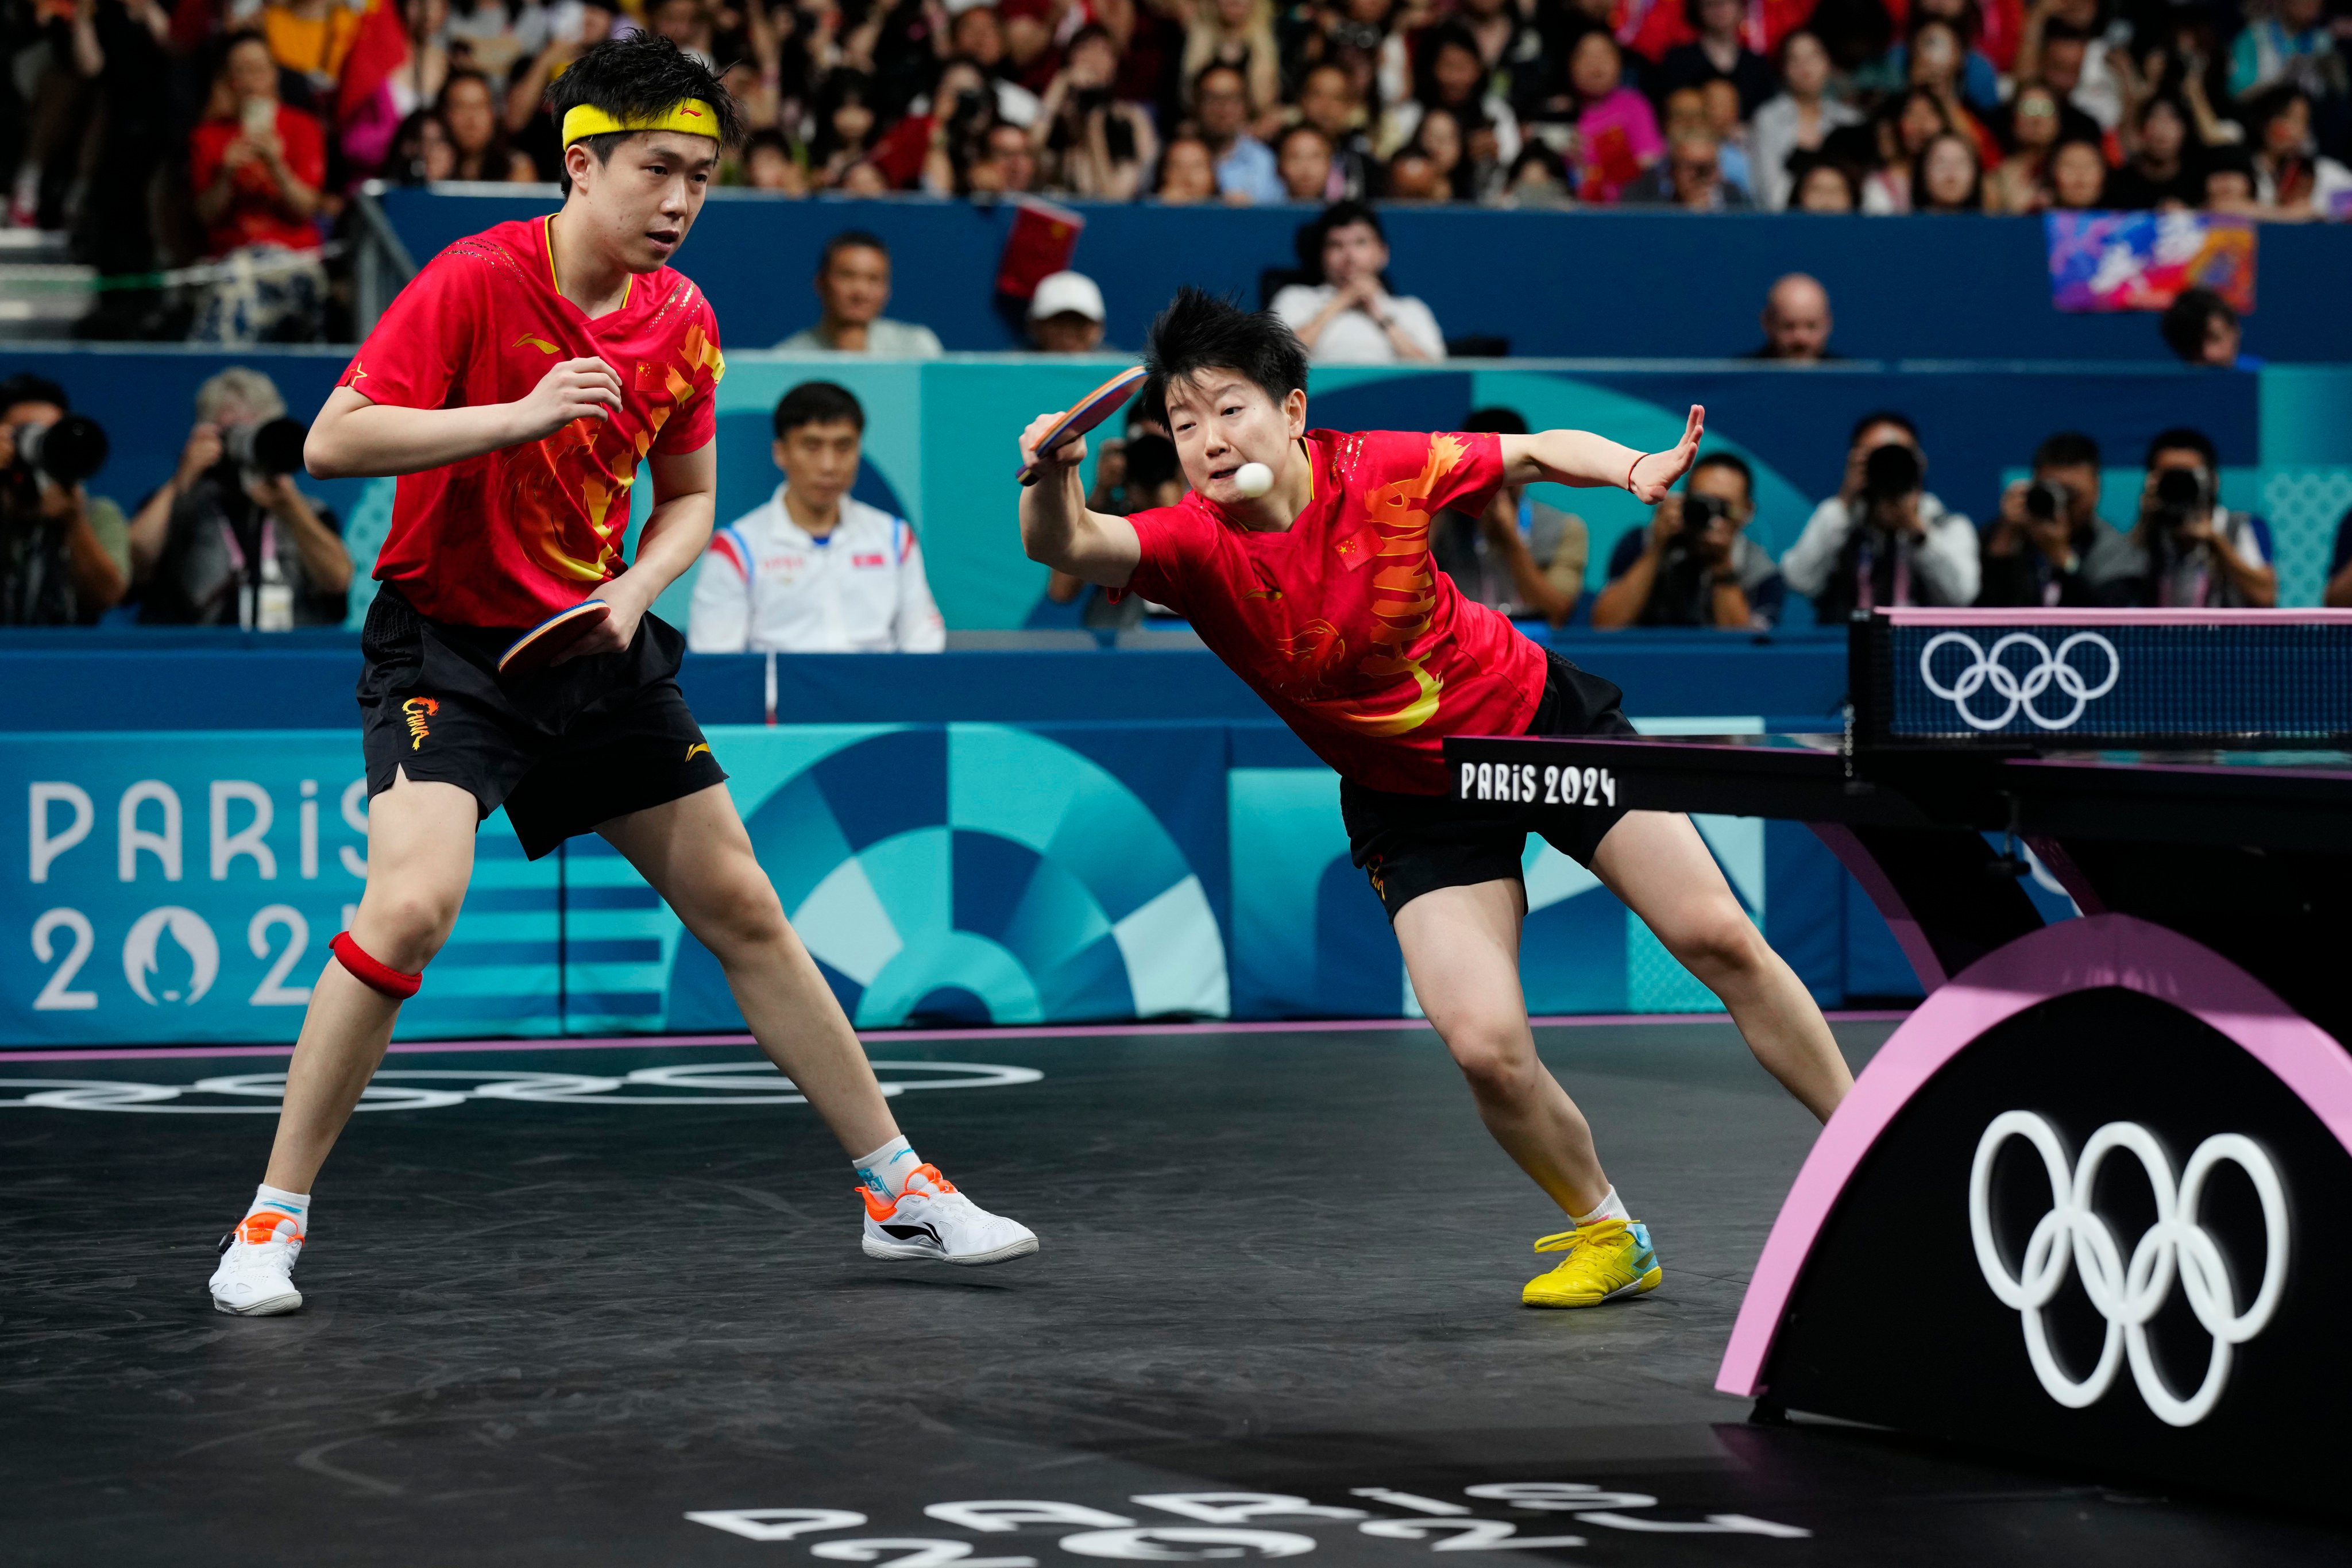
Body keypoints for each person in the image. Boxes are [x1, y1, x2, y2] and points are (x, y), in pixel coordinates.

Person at [206, 35, 1032, 1320]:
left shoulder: (685, 322)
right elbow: (334, 438)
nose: (681, 203)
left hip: (594, 639)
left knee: (742, 905)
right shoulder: (472, 283)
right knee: (411, 905)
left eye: (701, 177)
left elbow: (692, 500)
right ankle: (272, 1217)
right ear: (580, 164)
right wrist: (519, 414)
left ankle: (897, 1188)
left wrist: (637, 592)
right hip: (448, 647)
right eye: (659, 170)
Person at [1015, 288, 1852, 1310]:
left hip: (1538, 724)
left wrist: (1630, 468)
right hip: (1413, 798)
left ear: (1293, 412)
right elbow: (1066, 546)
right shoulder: (1193, 548)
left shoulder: (1384, 469)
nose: (1208, 440)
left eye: (1230, 409)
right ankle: (1607, 1229)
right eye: (1185, 425)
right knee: (1486, 1049)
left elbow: (1537, 453)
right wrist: (1052, 477)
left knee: (1718, 936)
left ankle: (1871, 1146)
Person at [688, 382, 944, 654]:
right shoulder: (737, 547)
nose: (829, 466)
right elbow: (717, 663)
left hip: (880, 695)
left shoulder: (895, 538)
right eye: (812, 446)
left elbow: (924, 648)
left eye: (844, 447)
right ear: (781, 453)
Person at [129, 366, 352, 628]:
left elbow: (338, 581)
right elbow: (136, 555)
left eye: (255, 433)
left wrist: (291, 508)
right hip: (194, 659)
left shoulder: (309, 510)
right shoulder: (180, 502)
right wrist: (181, 480)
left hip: (289, 659)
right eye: (232, 434)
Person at [187, 30, 327, 343]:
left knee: (240, 284)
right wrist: (225, 174)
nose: (252, 81)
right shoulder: (208, 137)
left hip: (293, 260)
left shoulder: (303, 128)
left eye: (260, 69)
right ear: (229, 81)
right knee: (235, 280)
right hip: (231, 260)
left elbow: (306, 207)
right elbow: (206, 216)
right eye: (242, 71)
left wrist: (277, 167)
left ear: (274, 76)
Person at [1781, 410, 1979, 620]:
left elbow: (1961, 596)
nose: (1889, 468)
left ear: (1919, 464)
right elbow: (1799, 581)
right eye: (1877, 458)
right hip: (1846, 646)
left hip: (1918, 647)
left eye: (1899, 458)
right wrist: (1844, 502)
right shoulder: (1839, 519)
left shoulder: (1945, 524)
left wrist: (1917, 531)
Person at [1429, 407, 1590, 625]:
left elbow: (1556, 616)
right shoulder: (1441, 522)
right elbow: (1403, 595)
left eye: (1504, 467)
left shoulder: (1565, 528)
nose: (1495, 482)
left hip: (1531, 647)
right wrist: (1438, 501)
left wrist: (1511, 543)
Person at [1591, 451, 1783, 629]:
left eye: (1722, 507)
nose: (1711, 515)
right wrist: (1657, 548)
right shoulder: (1641, 542)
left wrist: (1721, 566)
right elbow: (1605, 626)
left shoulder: (1762, 571)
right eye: (1702, 503)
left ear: (1747, 512)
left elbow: (1747, 651)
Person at [0, 373, 129, 625]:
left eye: (48, 433)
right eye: (24, 432)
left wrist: (73, 522)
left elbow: (107, 597)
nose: (36, 444)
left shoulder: (96, 513)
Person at [1977, 430, 2143, 607]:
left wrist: (2063, 560)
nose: (2062, 505)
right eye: (2052, 491)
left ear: (2096, 490)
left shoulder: (2116, 552)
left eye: (2072, 495)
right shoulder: (2000, 536)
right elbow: (1977, 615)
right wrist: (2004, 540)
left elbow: (2105, 627)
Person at [1269, 200, 1445, 364]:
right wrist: (1341, 301)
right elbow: (1278, 363)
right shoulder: (1294, 299)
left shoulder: (1411, 309)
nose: (1350, 256)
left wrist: (1380, 317)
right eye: (1336, 245)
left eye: (1361, 243)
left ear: (1383, 253)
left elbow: (1438, 376)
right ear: (1322, 255)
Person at [2132, 427, 2274, 609]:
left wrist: (2216, 542)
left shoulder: (2240, 527)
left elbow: (2266, 596)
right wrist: (2145, 522)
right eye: (2171, 478)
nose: (2180, 487)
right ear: (2152, 482)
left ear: (2213, 481)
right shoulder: (2149, 533)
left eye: (2189, 477)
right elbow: (2116, 595)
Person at [778, 231, 945, 356]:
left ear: (887, 290)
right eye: (847, 276)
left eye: (873, 279)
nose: (860, 292)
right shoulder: (787, 358)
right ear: (821, 283)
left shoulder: (918, 348)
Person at [1749, 30, 1862, 210]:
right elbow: (1768, 191)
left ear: (1828, 63)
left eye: (1813, 57)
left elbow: (1859, 188)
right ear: (1784, 68)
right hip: (1785, 224)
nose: (1805, 67)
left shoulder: (1850, 120)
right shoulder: (1767, 119)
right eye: (1795, 59)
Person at [1194, 61, 1284, 204]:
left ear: (1246, 105)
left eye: (1233, 99)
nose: (1223, 110)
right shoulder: (1177, 157)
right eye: (1212, 99)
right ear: (1196, 103)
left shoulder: (1264, 162)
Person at [2158, 287, 2259, 370]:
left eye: (2216, 338)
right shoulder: (2165, 388)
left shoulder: (2263, 380)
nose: (2209, 354)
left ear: (2236, 331)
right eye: (2195, 345)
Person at [1747, 272, 1840, 361]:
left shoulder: (1845, 374)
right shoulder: (1740, 374)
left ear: (1828, 322)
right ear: (1767, 323)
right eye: (1789, 326)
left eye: (1811, 326)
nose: (1801, 338)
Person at [1028, 269, 1107, 353]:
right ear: (1035, 327)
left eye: (1080, 323)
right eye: (1058, 323)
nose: (1069, 335)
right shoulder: (1016, 362)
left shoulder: (1117, 364)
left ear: (1098, 328)